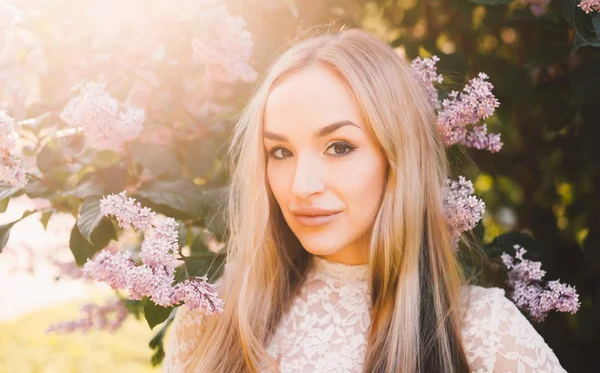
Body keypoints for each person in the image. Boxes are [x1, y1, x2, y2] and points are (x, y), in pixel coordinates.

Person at [161, 28, 567, 372]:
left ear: (397, 157)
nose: (302, 186)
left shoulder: (482, 333)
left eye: (338, 147)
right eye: (280, 152)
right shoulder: (211, 318)